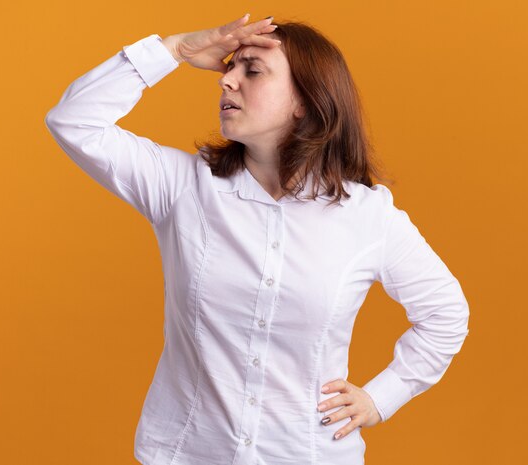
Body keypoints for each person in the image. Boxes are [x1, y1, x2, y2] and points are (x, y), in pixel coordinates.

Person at [45, 13, 470, 465]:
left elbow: (445, 314)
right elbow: (74, 122)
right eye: (230, 67)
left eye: (252, 70)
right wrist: (175, 50)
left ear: (305, 101)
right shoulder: (183, 187)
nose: (226, 80)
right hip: (186, 455)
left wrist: (380, 398)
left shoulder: (367, 216)